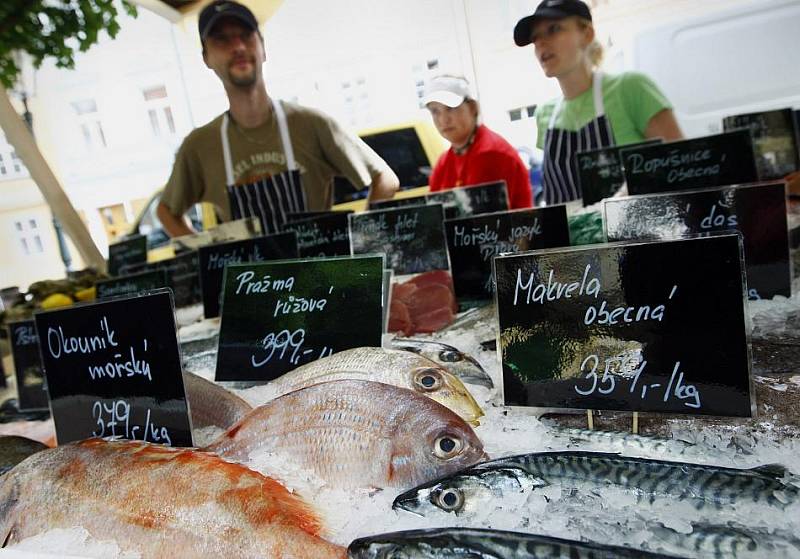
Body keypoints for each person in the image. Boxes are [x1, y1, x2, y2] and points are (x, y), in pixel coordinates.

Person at [157, 0, 399, 237]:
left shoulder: (312, 124)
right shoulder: (200, 146)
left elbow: (385, 180)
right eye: (222, 39)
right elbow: (166, 212)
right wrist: (207, 254)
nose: (238, 46)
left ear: (263, 47)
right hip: (251, 277)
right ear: (206, 58)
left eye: (246, 34)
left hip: (320, 275)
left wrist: (358, 238)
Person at [514, 0, 683, 205]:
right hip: (570, 237)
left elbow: (681, 168)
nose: (541, 43)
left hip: (638, 233)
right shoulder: (545, 115)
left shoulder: (630, 88)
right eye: (535, 37)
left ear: (587, 34)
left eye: (553, 29)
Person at [423, 75, 533, 209]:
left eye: (450, 108)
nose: (443, 119)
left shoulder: (492, 154)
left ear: (473, 108)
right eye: (435, 111)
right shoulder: (443, 163)